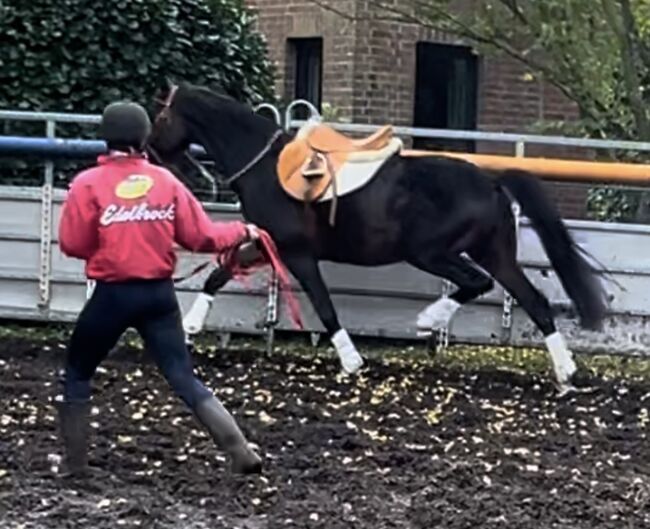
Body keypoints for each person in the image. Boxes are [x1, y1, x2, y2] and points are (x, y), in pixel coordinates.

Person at [57, 101, 262, 477]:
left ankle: (76, 467)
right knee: (182, 376)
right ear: (144, 136)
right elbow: (201, 236)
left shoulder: (87, 184)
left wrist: (109, 245)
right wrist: (243, 231)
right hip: (159, 296)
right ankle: (239, 450)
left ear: (105, 137)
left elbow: (72, 243)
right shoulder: (166, 182)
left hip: (113, 296)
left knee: (77, 373)